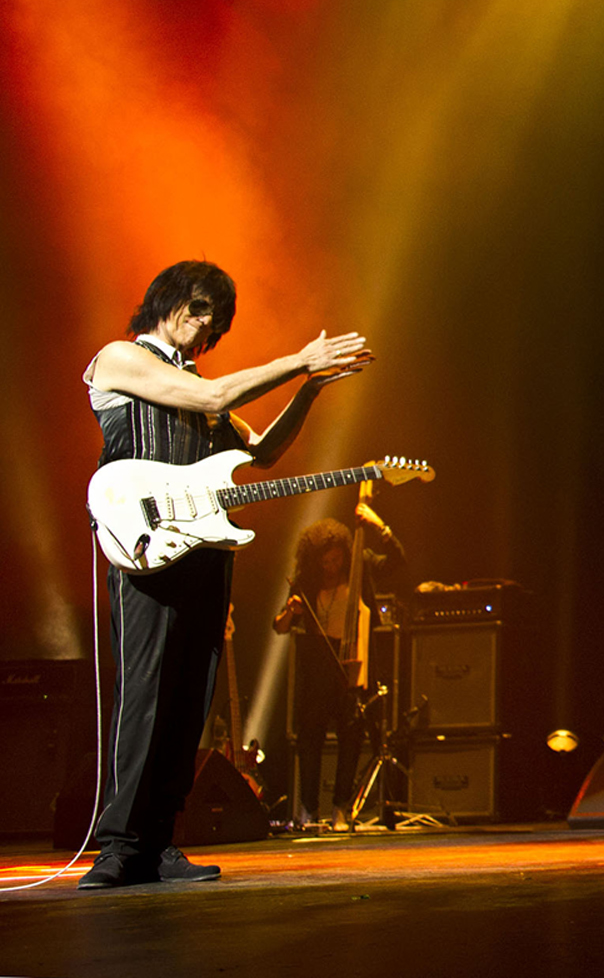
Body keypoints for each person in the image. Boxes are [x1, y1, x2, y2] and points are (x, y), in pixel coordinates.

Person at [79, 261, 370, 889]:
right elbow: (213, 397)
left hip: (205, 555)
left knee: (190, 702)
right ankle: (118, 846)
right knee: (148, 693)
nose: (205, 322)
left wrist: (310, 389)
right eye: (200, 305)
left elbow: (261, 451)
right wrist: (298, 358)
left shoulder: (205, 393)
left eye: (215, 317)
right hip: (144, 547)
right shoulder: (120, 360)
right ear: (168, 299)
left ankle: (159, 843)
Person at [274, 505, 406, 829]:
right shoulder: (306, 581)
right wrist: (292, 611)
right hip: (319, 662)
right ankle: (307, 808)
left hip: (353, 661)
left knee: (351, 737)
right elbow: (279, 626)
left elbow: (398, 561)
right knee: (311, 738)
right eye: (325, 561)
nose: (331, 567)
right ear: (315, 559)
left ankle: (341, 807)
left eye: (336, 559)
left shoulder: (361, 566)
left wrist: (378, 524)